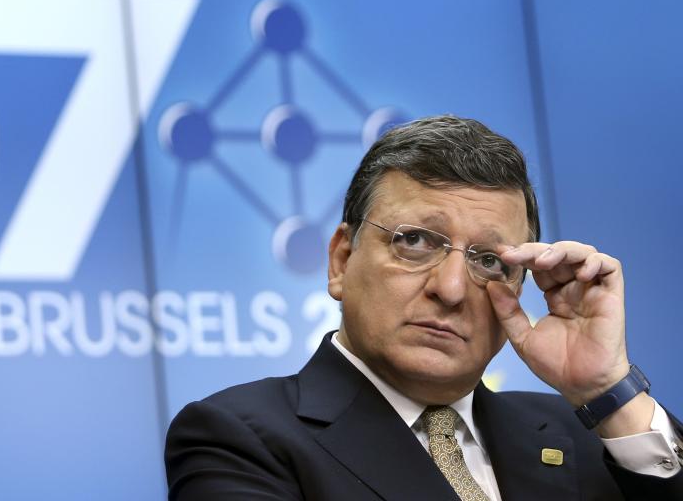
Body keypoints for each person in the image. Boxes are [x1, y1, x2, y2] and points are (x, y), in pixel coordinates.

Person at [165, 116, 683, 500]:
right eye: (415, 241)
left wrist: (606, 391)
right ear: (342, 261)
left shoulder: (587, 435)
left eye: (488, 260)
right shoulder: (238, 437)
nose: (452, 288)